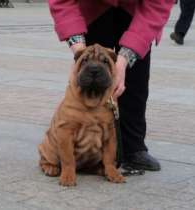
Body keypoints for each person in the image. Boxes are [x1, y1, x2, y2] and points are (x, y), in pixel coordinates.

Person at [48, 0, 174, 171]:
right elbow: (62, 3)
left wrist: (122, 62)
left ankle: (133, 147)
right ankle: (88, 148)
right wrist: (80, 54)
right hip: (92, 8)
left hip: (137, 9)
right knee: (92, 78)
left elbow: (157, 6)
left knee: (136, 79)